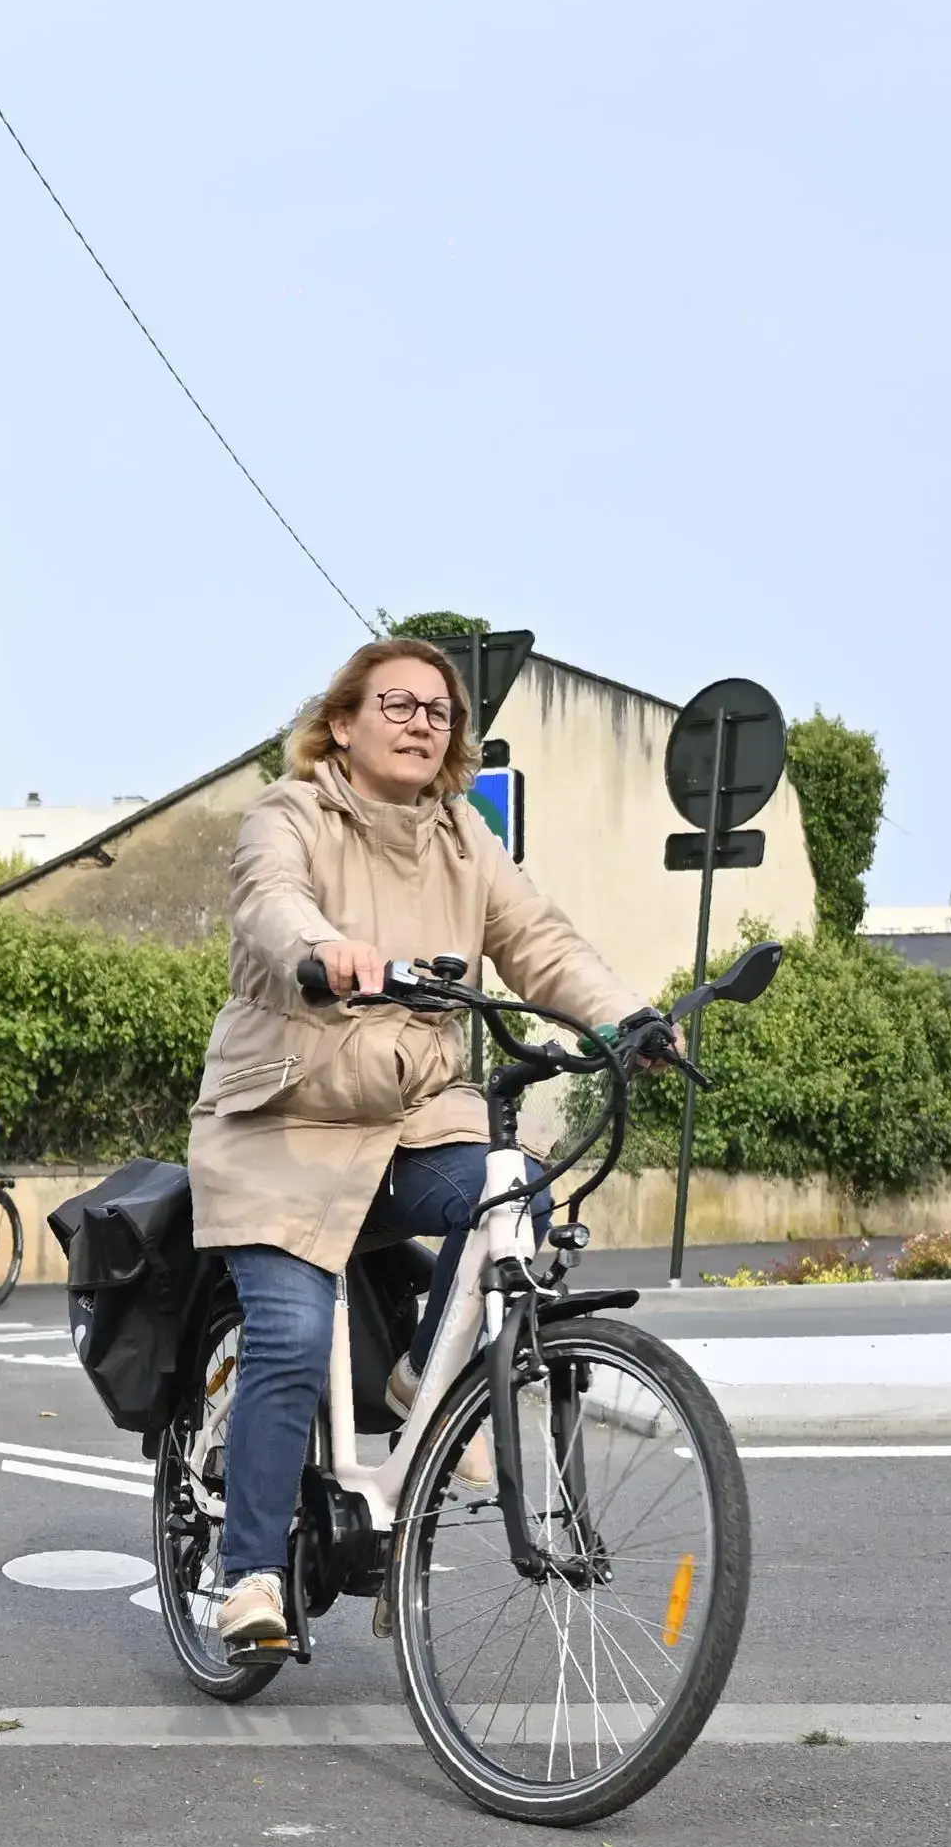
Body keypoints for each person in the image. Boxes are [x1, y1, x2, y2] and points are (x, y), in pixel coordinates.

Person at [184, 633, 627, 1657]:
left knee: (513, 1190)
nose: (424, 722)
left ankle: (418, 1386)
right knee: (291, 1337)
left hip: (411, 1123)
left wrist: (622, 1016)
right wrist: (322, 951)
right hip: (282, 1128)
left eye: (440, 711)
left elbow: (539, 940)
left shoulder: (461, 838)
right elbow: (267, 903)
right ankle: (247, 1571)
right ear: (340, 723)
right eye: (399, 704)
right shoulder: (287, 812)